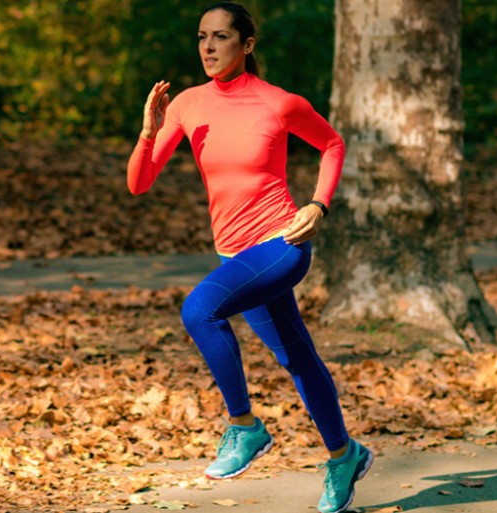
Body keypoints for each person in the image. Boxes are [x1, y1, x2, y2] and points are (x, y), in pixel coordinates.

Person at [125, 3, 371, 513]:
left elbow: (332, 144)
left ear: (247, 45)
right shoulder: (188, 105)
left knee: (199, 310)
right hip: (234, 254)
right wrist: (149, 130)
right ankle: (344, 456)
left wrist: (318, 205)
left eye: (220, 37)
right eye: (201, 37)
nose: (208, 48)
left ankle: (244, 427)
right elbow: (139, 183)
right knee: (297, 358)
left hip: (282, 245)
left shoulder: (279, 103)